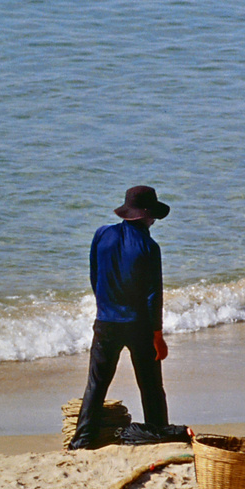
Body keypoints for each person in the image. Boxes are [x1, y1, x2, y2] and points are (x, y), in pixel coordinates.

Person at [68, 186, 185, 450]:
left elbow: (94, 275)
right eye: (153, 215)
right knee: (151, 385)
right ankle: (157, 432)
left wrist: (105, 306)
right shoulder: (150, 247)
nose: (154, 220)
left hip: (106, 322)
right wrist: (158, 335)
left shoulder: (102, 234)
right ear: (146, 216)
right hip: (139, 325)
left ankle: (83, 440)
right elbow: (153, 295)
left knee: (96, 384)